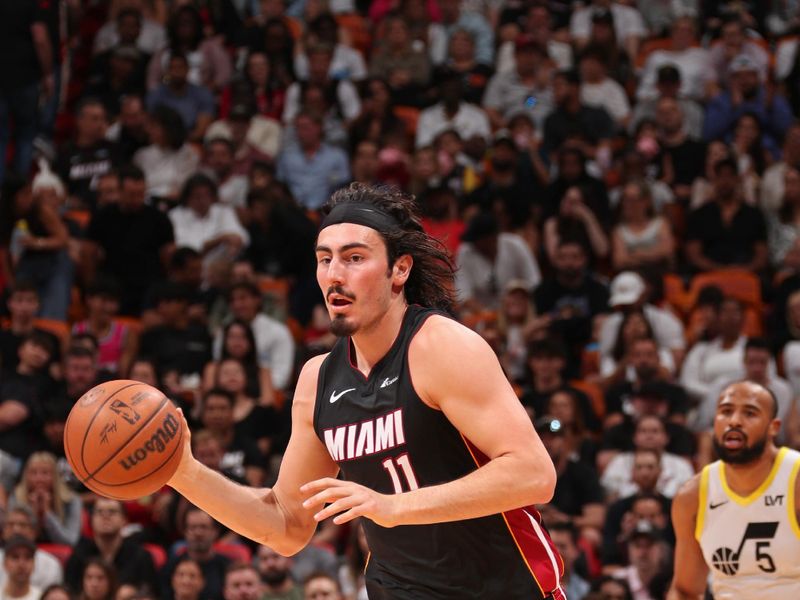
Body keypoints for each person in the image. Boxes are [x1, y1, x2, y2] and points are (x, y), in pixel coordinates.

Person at [167, 183, 564, 598]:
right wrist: (185, 474)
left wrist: (394, 507)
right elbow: (286, 526)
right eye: (325, 259)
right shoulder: (318, 379)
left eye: (354, 258)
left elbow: (533, 473)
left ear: (400, 269)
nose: (335, 274)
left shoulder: (440, 347)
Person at [669, 381, 800, 599]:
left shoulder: (795, 481)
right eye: (726, 412)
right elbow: (685, 590)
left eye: (750, 413)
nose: (735, 421)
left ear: (773, 427)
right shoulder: (692, 497)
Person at [0, 507, 62, 590]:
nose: (16, 530)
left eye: (23, 525)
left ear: (34, 532)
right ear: (3, 532)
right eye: (11, 524)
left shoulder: (50, 565)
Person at [0, 535, 40, 600]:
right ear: (5, 563)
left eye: (28, 557)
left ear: (34, 563)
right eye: (15, 557)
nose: (21, 564)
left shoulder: (42, 597)